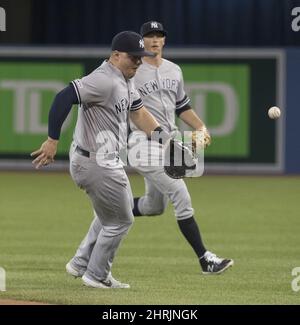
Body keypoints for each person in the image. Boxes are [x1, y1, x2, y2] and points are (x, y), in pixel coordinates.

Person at [64, 22, 234, 280]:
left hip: (167, 139)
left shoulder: (174, 71)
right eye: (149, 36)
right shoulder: (131, 71)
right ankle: (205, 258)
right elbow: (134, 112)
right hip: (143, 144)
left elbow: (182, 105)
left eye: (159, 36)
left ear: (164, 40)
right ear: (142, 43)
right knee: (181, 195)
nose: (155, 40)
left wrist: (201, 127)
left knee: (152, 206)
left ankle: (82, 256)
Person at [31, 31, 170, 289]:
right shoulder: (104, 80)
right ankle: (96, 275)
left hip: (101, 159)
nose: (138, 63)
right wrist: (52, 139)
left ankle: (81, 262)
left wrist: (168, 142)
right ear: (116, 55)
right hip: (95, 161)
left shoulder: (125, 79)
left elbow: (139, 115)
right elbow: (64, 97)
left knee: (118, 209)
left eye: (141, 58)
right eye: (133, 58)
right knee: (121, 220)